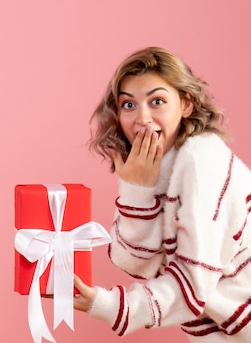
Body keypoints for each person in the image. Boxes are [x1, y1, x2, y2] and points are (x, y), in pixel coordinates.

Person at [72, 46, 251, 341]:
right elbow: (134, 261)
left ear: (186, 104)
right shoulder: (153, 168)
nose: (142, 118)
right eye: (128, 105)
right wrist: (136, 190)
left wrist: (107, 306)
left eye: (157, 101)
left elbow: (193, 285)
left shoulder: (201, 160)